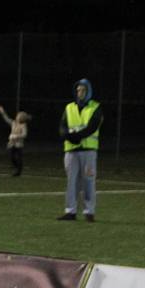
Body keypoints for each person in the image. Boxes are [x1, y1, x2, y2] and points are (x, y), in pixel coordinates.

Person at [57, 78, 103, 222]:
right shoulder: (69, 107)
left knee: (88, 181)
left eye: (83, 90)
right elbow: (62, 126)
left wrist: (76, 137)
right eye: (78, 90)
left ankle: (89, 211)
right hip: (71, 150)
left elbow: (93, 126)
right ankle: (70, 211)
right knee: (71, 181)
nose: (80, 93)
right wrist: (68, 137)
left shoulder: (95, 107)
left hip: (88, 150)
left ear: (88, 91)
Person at [0, 105, 31, 176]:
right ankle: (16, 167)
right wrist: (3, 112)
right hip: (12, 144)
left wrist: (16, 136)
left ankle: (18, 171)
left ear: (21, 118)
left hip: (19, 145)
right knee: (12, 157)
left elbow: (24, 134)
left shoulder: (23, 125)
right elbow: (7, 119)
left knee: (19, 158)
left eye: (18, 116)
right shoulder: (14, 123)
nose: (17, 116)